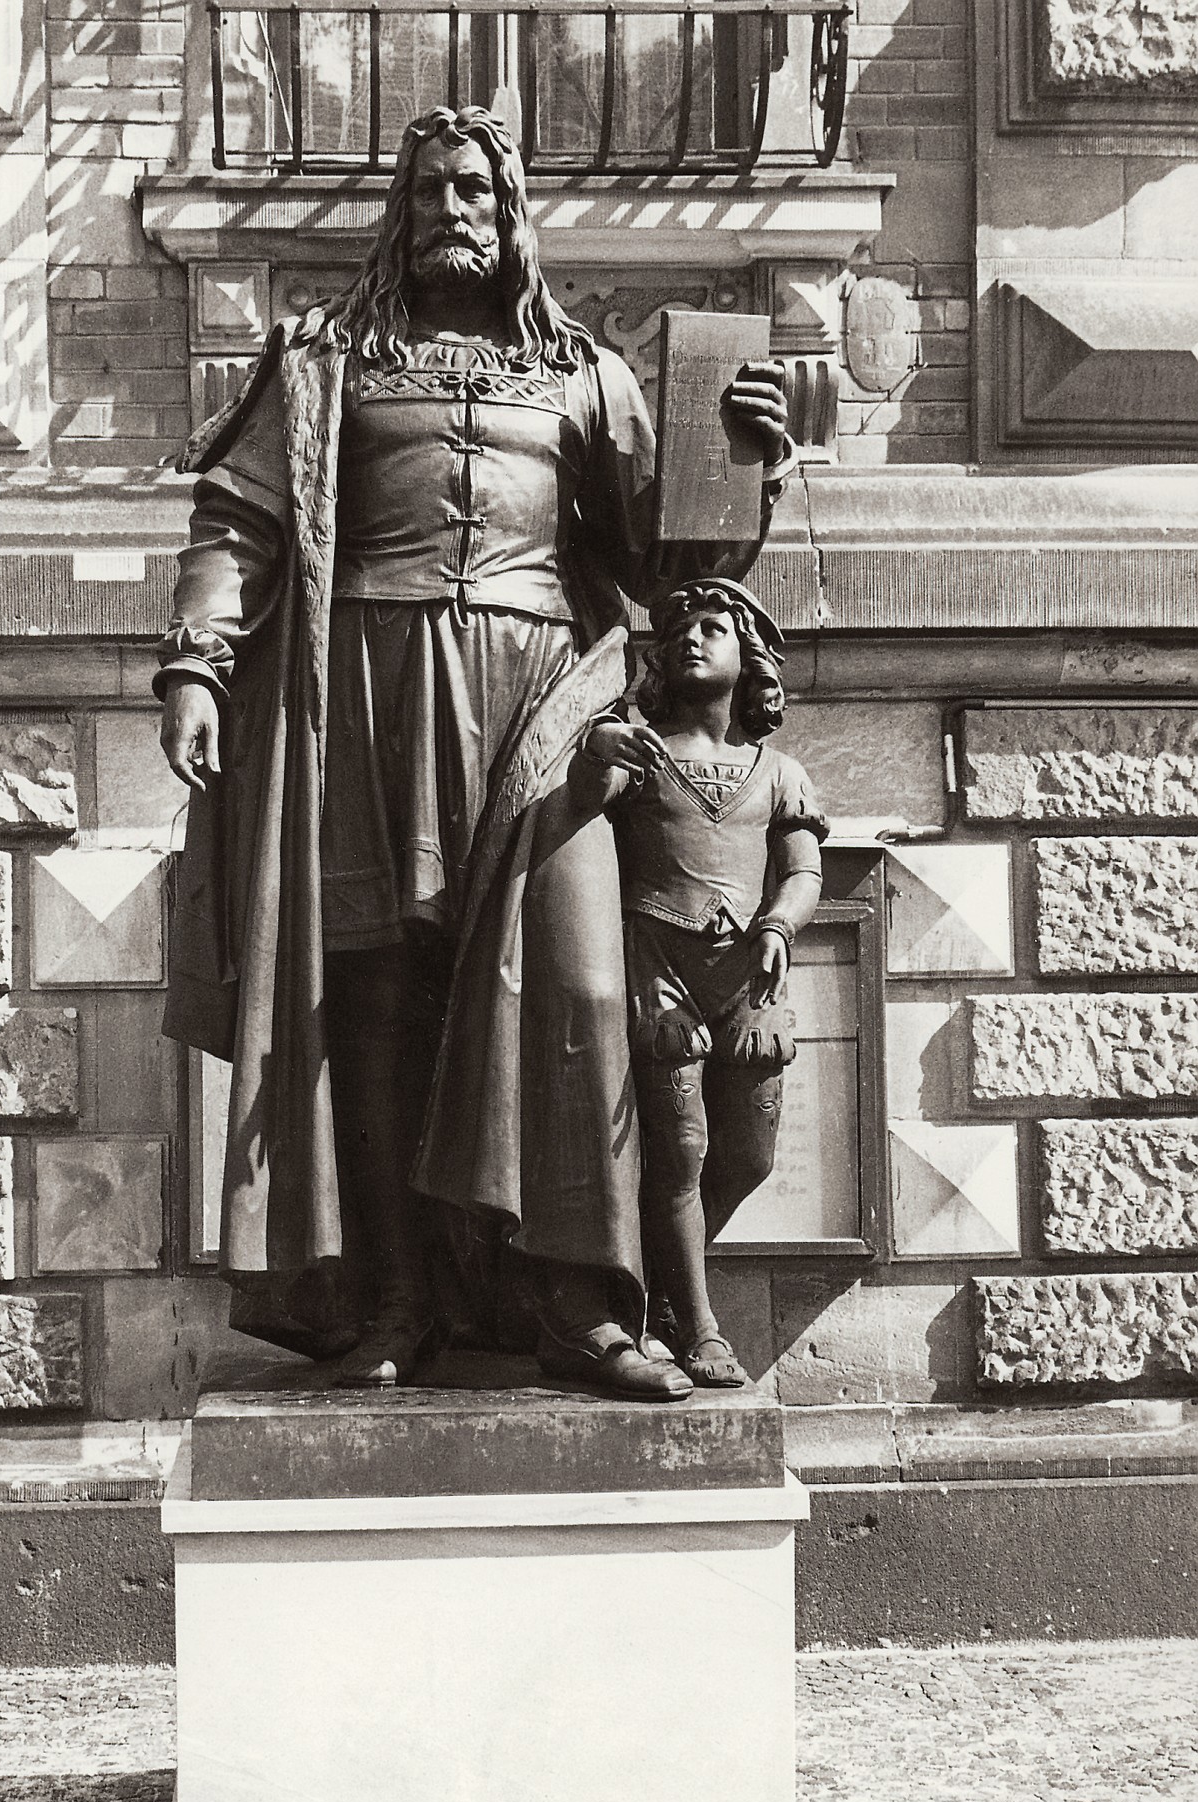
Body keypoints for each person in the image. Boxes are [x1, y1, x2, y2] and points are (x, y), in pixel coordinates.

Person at [155, 103, 793, 1400]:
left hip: (543, 708)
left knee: (576, 991)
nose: (453, 210)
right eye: (431, 189)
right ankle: (394, 1301)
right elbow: (239, 524)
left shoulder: (586, 374)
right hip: (362, 697)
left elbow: (666, 562)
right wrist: (196, 667)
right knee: (374, 997)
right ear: (400, 213)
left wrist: (749, 465)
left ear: (512, 218)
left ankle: (580, 1306)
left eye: (476, 192)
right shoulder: (323, 361)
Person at [569, 578, 827, 1387]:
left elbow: (803, 868)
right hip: (660, 973)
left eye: (713, 627)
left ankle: (654, 1291)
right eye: (678, 629)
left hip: (748, 978)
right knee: (680, 1155)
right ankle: (703, 1331)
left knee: (747, 1157)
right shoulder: (642, 753)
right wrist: (598, 749)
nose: (691, 638)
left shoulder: (777, 770)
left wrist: (779, 925)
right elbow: (581, 809)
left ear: (748, 658)